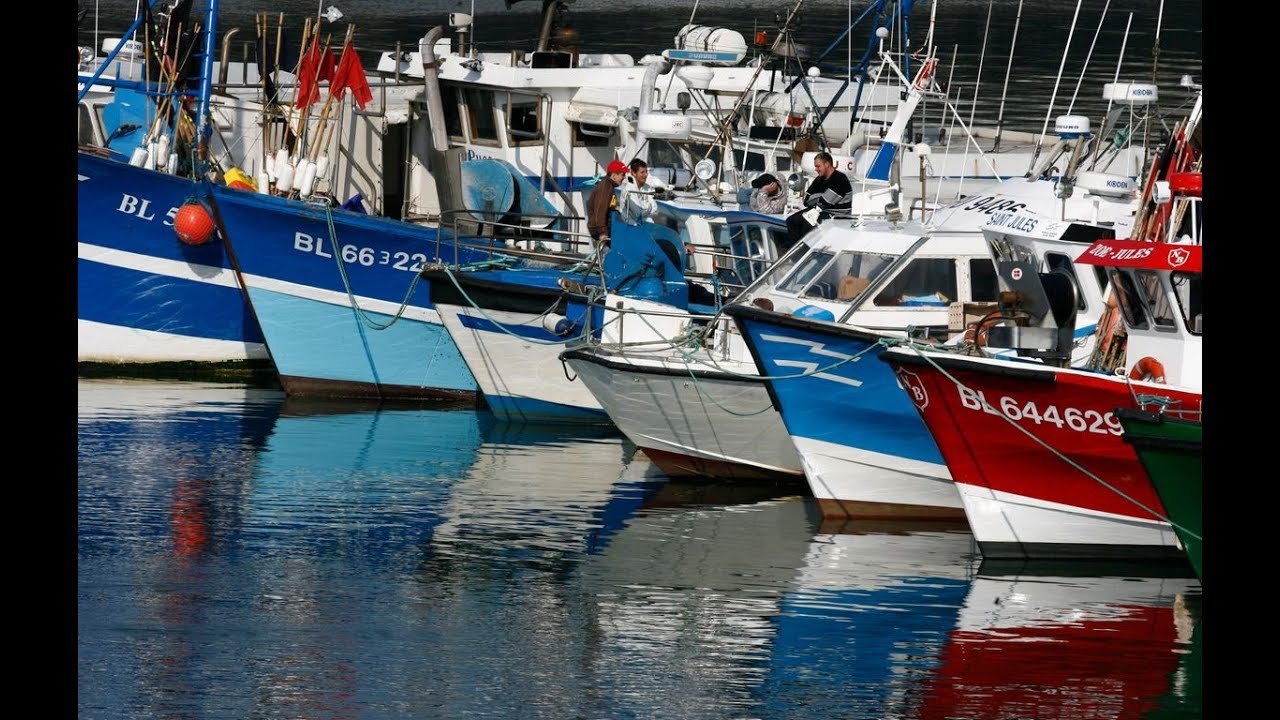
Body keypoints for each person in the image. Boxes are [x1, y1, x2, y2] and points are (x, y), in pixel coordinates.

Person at [785, 151, 852, 249]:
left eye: (818, 166)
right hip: (820, 210)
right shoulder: (819, 179)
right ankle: (797, 253)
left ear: (827, 164)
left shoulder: (839, 179)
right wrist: (822, 195)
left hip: (837, 214)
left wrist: (817, 197)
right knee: (791, 221)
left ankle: (808, 256)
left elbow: (826, 202)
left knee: (807, 225)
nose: (816, 169)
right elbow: (806, 200)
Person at [587, 159, 628, 251]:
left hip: (607, 227)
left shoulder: (609, 186)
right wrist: (603, 232)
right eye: (622, 175)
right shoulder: (605, 187)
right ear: (613, 175)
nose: (624, 177)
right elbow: (600, 211)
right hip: (600, 229)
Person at [620, 158, 657, 225]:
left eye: (646, 171)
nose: (645, 175)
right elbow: (638, 213)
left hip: (646, 223)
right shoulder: (628, 189)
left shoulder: (648, 188)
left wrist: (645, 209)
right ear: (633, 173)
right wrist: (649, 206)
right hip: (630, 225)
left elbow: (656, 211)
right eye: (642, 172)